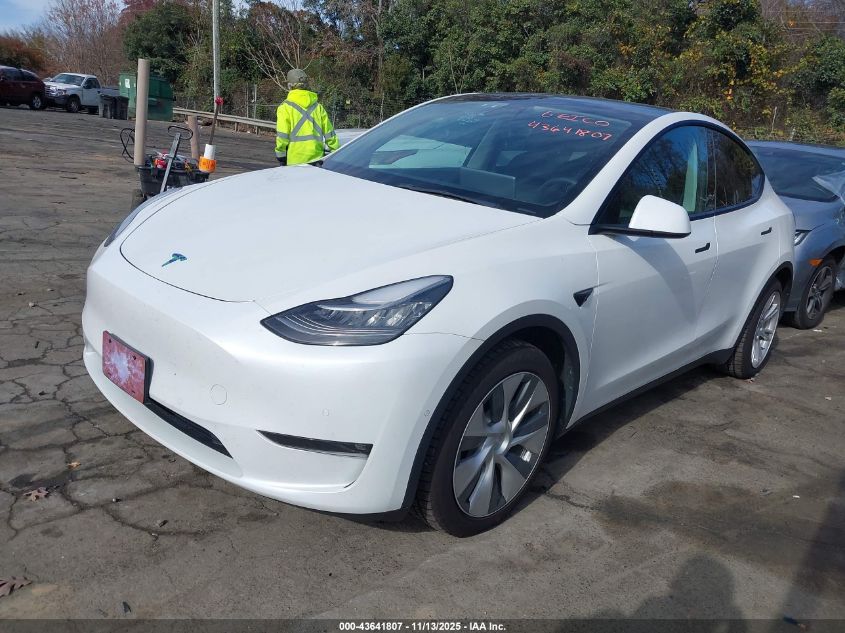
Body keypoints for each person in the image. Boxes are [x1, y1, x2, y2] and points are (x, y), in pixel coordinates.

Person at [275, 69, 339, 166]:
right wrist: (336, 152)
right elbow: (330, 134)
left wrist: (281, 155)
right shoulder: (318, 107)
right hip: (317, 159)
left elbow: (282, 135)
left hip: (295, 161)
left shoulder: (285, 108)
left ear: (289, 86)